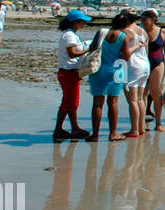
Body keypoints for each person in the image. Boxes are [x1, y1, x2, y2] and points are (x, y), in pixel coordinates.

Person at [89, 12, 137, 142]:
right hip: (116, 70)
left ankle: (95, 134)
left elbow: (92, 48)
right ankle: (113, 133)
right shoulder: (123, 36)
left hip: (99, 70)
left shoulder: (101, 32)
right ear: (125, 25)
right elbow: (126, 56)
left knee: (97, 103)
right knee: (113, 103)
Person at [54, 9, 94, 142]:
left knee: (70, 102)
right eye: (82, 22)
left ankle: (73, 127)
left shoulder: (70, 34)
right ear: (75, 22)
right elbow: (72, 53)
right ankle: (60, 129)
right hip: (68, 72)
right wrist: (88, 50)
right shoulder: (69, 36)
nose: (84, 24)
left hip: (70, 72)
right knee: (69, 102)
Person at [141, 9, 165, 132]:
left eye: (145, 19)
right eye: (142, 19)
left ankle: (158, 122)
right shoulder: (141, 32)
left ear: (153, 19)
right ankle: (141, 122)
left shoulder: (162, 32)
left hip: (158, 64)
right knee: (142, 94)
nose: (143, 21)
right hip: (143, 64)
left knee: (156, 93)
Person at [124, 10, 150, 137]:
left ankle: (134, 129)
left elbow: (124, 51)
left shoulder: (127, 31)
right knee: (140, 99)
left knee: (133, 100)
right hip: (145, 64)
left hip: (133, 65)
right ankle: (141, 127)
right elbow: (147, 49)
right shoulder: (143, 31)